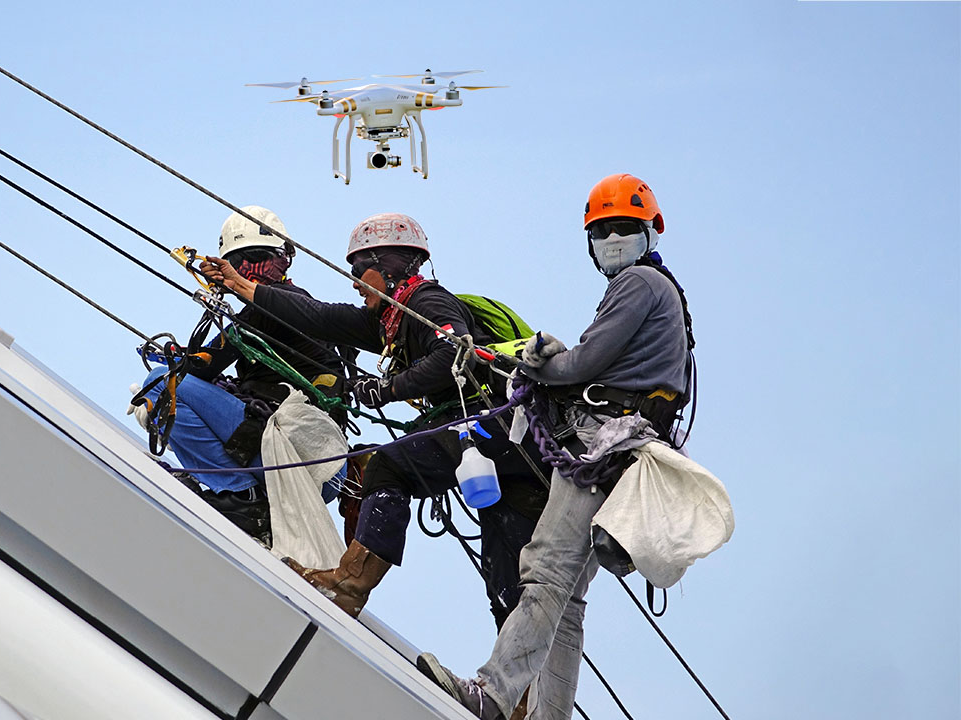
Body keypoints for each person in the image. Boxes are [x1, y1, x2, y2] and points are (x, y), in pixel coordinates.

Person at [417, 174, 695, 720]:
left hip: (602, 446)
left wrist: (536, 360)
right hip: (627, 449)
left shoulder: (638, 283)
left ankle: (492, 695)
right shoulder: (665, 293)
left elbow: (583, 366)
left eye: (622, 228)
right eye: (603, 231)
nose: (612, 239)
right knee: (566, 601)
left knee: (544, 571)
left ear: (650, 231)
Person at [201, 213, 552, 619]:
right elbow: (320, 316)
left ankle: (349, 584)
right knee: (505, 572)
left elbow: (452, 353)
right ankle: (520, 683)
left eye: (357, 269)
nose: (353, 281)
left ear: (387, 264)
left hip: (491, 423)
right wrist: (244, 286)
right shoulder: (388, 320)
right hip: (510, 444)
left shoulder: (426, 302)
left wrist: (389, 389)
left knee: (387, 465)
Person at [134, 206, 347, 545]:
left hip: (301, 456)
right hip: (317, 466)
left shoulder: (278, 304)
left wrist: (178, 364)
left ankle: (239, 495)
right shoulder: (291, 308)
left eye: (258, 259)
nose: (248, 271)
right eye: (238, 263)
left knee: (162, 383)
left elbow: (204, 364)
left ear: (285, 259)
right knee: (179, 387)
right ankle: (246, 500)